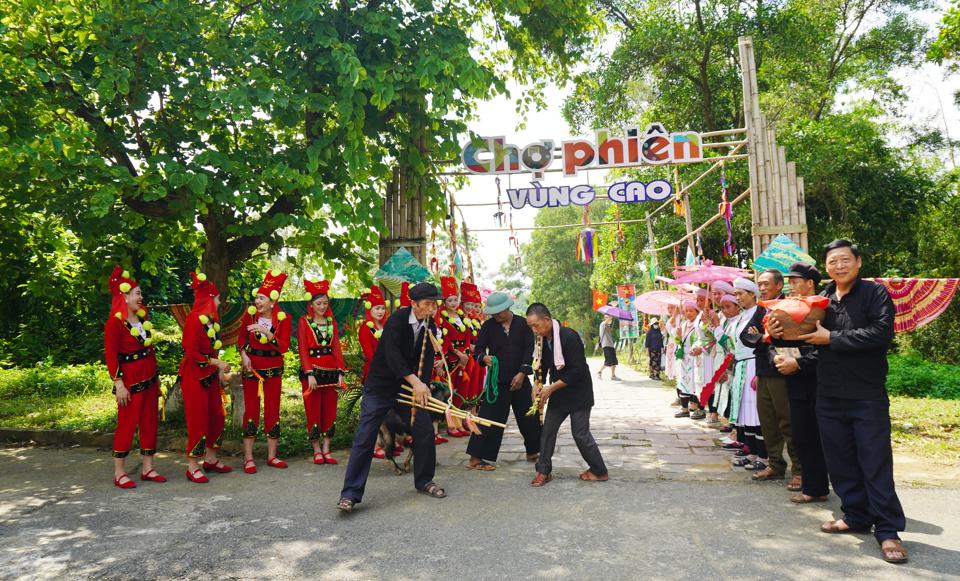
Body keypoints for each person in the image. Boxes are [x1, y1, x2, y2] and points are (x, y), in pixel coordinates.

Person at [797, 240, 907, 564]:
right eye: (833, 261)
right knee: (840, 462)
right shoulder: (822, 300)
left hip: (866, 395)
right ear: (826, 266)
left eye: (845, 259)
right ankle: (855, 515)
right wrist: (778, 330)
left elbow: (880, 334)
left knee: (875, 463)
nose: (839, 266)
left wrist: (832, 338)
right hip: (828, 394)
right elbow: (808, 338)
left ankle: (888, 531)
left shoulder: (875, 294)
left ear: (858, 261)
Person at [338, 282, 447, 513]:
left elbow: (427, 359)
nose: (432, 309)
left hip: (408, 388)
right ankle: (350, 494)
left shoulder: (430, 323)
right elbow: (393, 355)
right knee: (366, 436)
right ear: (413, 303)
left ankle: (425, 481)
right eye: (427, 304)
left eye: (434, 304)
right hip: (381, 386)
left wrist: (423, 386)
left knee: (424, 429)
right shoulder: (397, 320)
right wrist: (415, 382)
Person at [526, 303, 608, 487]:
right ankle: (543, 471)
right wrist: (537, 385)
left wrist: (550, 388)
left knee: (580, 434)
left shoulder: (569, 336)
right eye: (530, 326)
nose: (534, 330)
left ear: (547, 320)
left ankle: (599, 470)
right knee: (547, 431)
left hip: (579, 392)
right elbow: (542, 366)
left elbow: (577, 370)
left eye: (536, 325)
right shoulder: (542, 339)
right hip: (559, 393)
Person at [768, 262, 830, 504]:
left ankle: (840, 489)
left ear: (810, 283)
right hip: (794, 378)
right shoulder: (787, 308)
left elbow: (828, 347)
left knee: (826, 437)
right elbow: (775, 341)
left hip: (821, 379)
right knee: (802, 434)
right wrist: (777, 356)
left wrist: (801, 363)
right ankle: (814, 487)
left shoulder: (825, 307)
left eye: (795, 281)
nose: (790, 286)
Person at [465, 292, 541, 470]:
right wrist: (484, 357)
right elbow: (479, 349)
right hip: (497, 381)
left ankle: (533, 451)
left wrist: (522, 373)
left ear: (507, 309)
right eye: (493, 313)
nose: (496, 316)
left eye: (499, 312)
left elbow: (530, 349)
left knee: (529, 415)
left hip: (520, 378)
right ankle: (476, 458)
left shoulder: (523, 324)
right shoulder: (488, 326)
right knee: (489, 417)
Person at [104, 265, 164, 488]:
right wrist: (119, 384)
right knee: (127, 424)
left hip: (149, 378)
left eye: (140, 293)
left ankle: (148, 468)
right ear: (125, 296)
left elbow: (149, 351)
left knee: (150, 423)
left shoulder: (142, 320)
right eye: (137, 293)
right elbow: (111, 356)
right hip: (129, 382)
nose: (141, 297)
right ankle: (119, 472)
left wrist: (156, 379)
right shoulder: (115, 323)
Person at [741, 269, 800, 485]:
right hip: (763, 370)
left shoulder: (789, 306)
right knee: (767, 422)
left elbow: (791, 336)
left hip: (783, 371)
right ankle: (775, 465)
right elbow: (745, 335)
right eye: (760, 284)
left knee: (788, 421)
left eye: (766, 284)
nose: (762, 288)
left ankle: (799, 470)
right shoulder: (761, 308)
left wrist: (766, 336)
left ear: (779, 285)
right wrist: (766, 336)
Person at [238, 270, 293, 473]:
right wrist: (244, 355)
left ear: (272, 301)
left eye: (261, 298)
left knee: (273, 410)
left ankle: (272, 456)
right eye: (256, 297)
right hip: (252, 368)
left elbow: (284, 346)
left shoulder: (283, 319)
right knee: (251, 410)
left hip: (274, 369)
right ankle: (249, 457)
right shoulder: (249, 315)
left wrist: (267, 333)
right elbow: (241, 339)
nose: (257, 301)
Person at [179, 272, 232, 483]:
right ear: (210, 299)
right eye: (218, 298)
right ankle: (193, 465)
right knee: (198, 419)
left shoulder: (211, 322)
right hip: (194, 377)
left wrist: (217, 369)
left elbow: (213, 350)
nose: (220, 302)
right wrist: (216, 363)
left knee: (217, 416)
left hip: (209, 377)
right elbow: (191, 352)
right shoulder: (194, 320)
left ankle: (211, 459)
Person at [298, 278, 347, 465]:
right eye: (318, 303)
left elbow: (336, 348)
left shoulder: (331, 322)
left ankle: (327, 448)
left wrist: (341, 372)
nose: (322, 307)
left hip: (331, 372)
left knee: (330, 410)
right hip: (313, 373)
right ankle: (316, 449)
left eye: (325, 303)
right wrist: (309, 373)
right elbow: (302, 349)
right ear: (311, 304)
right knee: (313, 409)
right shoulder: (304, 322)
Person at [729, 278, 769, 472]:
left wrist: (760, 371)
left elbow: (763, 341)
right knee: (745, 412)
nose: (738, 298)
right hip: (742, 366)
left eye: (740, 294)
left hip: (754, 364)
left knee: (757, 413)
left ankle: (764, 455)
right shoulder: (741, 316)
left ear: (753, 294)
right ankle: (752, 452)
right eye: (736, 294)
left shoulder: (762, 313)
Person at [434, 276, 473, 438]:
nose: (453, 303)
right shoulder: (441, 318)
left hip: (463, 359)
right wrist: (457, 353)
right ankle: (451, 425)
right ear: (444, 301)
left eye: (455, 300)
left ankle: (460, 421)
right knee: (449, 392)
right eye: (450, 300)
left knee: (461, 392)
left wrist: (465, 355)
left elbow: (468, 337)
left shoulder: (463, 317)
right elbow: (445, 340)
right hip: (450, 359)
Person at [358, 285, 393, 460]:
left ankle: (386, 443)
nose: (380, 312)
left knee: (387, 412)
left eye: (382, 308)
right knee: (374, 413)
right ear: (369, 310)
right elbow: (370, 354)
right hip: (374, 373)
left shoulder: (387, 327)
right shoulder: (365, 328)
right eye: (376, 308)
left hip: (389, 374)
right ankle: (372, 446)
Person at [675, 300, 705, 419]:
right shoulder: (683, 325)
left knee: (695, 382)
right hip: (684, 358)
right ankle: (684, 408)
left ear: (696, 311)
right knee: (684, 382)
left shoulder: (699, 324)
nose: (688, 313)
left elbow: (701, 339)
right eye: (686, 310)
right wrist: (678, 336)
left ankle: (698, 408)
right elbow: (678, 342)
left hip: (695, 357)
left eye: (691, 310)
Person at [597, 314, 620, 381]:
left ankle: (613, 376)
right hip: (606, 345)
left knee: (614, 361)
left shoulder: (608, 326)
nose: (611, 320)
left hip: (611, 345)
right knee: (608, 361)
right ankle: (599, 372)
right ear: (605, 318)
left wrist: (610, 328)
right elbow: (606, 321)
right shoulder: (602, 324)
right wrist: (611, 315)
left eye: (611, 319)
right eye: (609, 318)